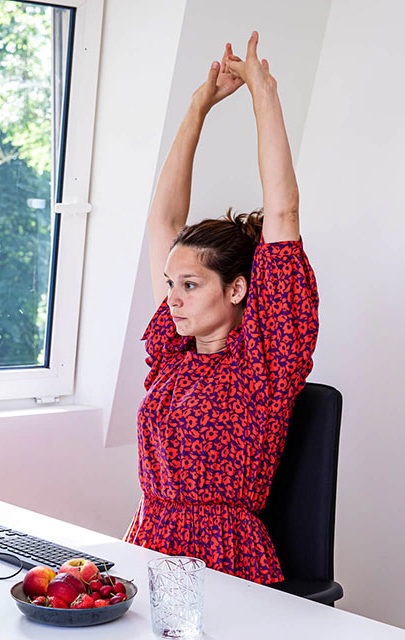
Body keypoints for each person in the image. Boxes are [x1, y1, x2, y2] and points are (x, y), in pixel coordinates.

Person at [123, 32, 319, 585]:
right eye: (170, 284)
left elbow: (284, 211)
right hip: (148, 543)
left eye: (189, 284)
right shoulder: (172, 353)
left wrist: (263, 93)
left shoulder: (266, 359)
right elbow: (163, 223)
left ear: (236, 290)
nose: (173, 298)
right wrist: (197, 107)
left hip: (222, 563)